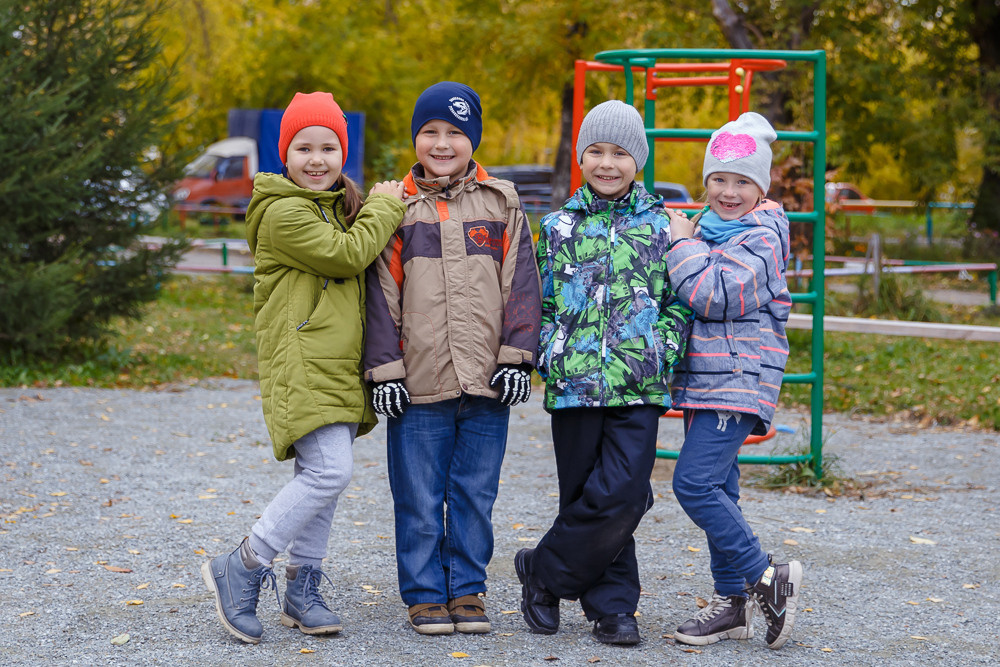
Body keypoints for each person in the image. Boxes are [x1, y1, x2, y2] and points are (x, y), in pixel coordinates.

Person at [201, 91, 406, 645]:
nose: (317, 159)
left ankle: (302, 587)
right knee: (328, 473)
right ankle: (243, 563)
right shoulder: (284, 212)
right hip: (303, 363)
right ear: (283, 154)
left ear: (344, 152)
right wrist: (389, 205)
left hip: (336, 364)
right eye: (304, 147)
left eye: (329, 147)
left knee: (322, 481)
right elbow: (347, 255)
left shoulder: (329, 207)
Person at [363, 81, 542, 636]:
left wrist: (517, 358)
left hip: (488, 381)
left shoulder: (501, 203)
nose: (442, 144)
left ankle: (467, 590)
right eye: (430, 132)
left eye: (456, 133)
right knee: (418, 497)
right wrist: (385, 371)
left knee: (474, 494)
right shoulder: (396, 208)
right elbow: (379, 295)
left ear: (474, 139)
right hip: (420, 384)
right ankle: (423, 594)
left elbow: (523, 286)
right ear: (416, 138)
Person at [514, 100, 692, 646]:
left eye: (619, 153)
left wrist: (660, 348)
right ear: (581, 156)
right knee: (583, 493)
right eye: (596, 151)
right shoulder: (557, 225)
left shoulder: (664, 225)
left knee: (626, 492)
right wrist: (549, 349)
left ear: (638, 159)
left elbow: (678, 301)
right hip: (574, 385)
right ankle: (613, 608)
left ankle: (541, 573)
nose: (607, 163)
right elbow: (538, 298)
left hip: (637, 384)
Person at [662, 111, 802, 650]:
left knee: (692, 484)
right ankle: (732, 603)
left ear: (760, 187)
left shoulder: (764, 238)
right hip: (708, 379)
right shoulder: (709, 229)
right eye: (718, 178)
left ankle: (767, 576)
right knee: (720, 487)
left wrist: (679, 245)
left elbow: (715, 296)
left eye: (742, 180)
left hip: (738, 379)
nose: (728, 190)